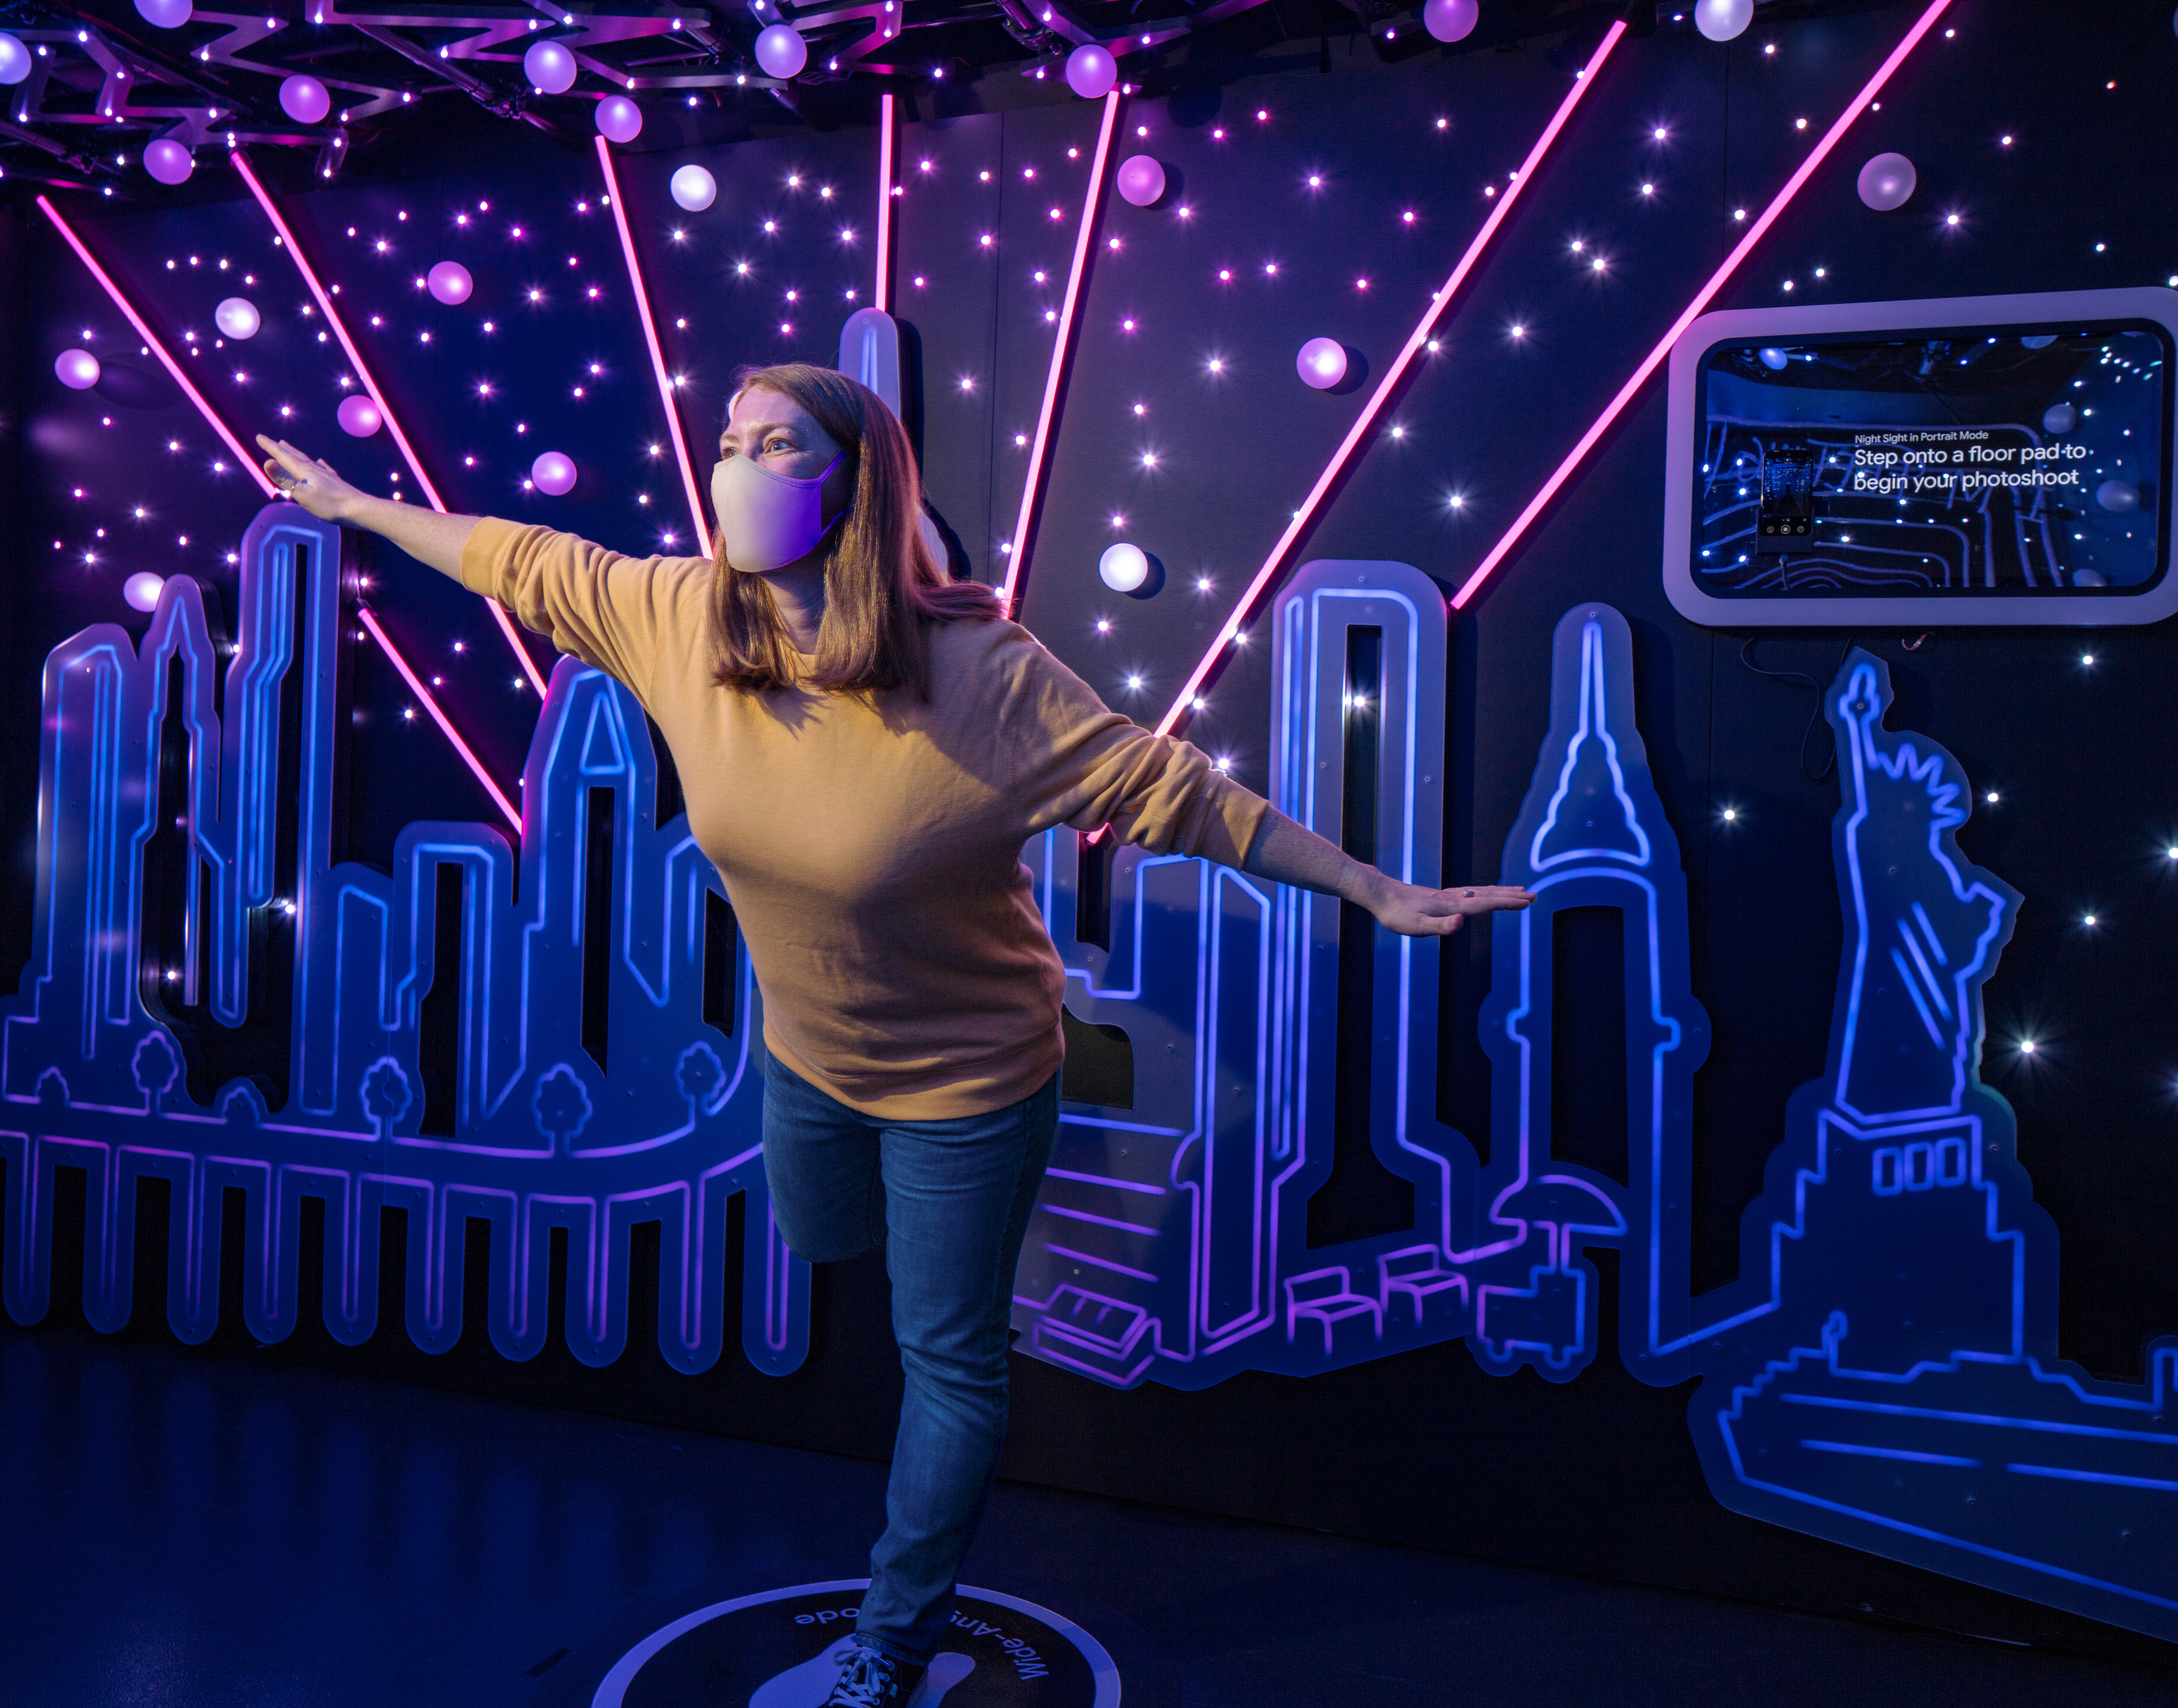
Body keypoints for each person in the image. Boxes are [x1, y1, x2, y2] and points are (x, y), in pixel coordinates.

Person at [254, 364, 1533, 1708]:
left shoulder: (984, 675)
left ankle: (894, 1637)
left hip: (970, 1082)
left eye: (778, 445)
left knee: (948, 1355)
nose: (739, 467)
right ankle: (886, 1294)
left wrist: (1376, 888)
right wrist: (351, 501)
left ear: (855, 486)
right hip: (808, 1056)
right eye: (730, 441)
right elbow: (512, 554)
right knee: (822, 1238)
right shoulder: (682, 616)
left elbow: (1177, 791)